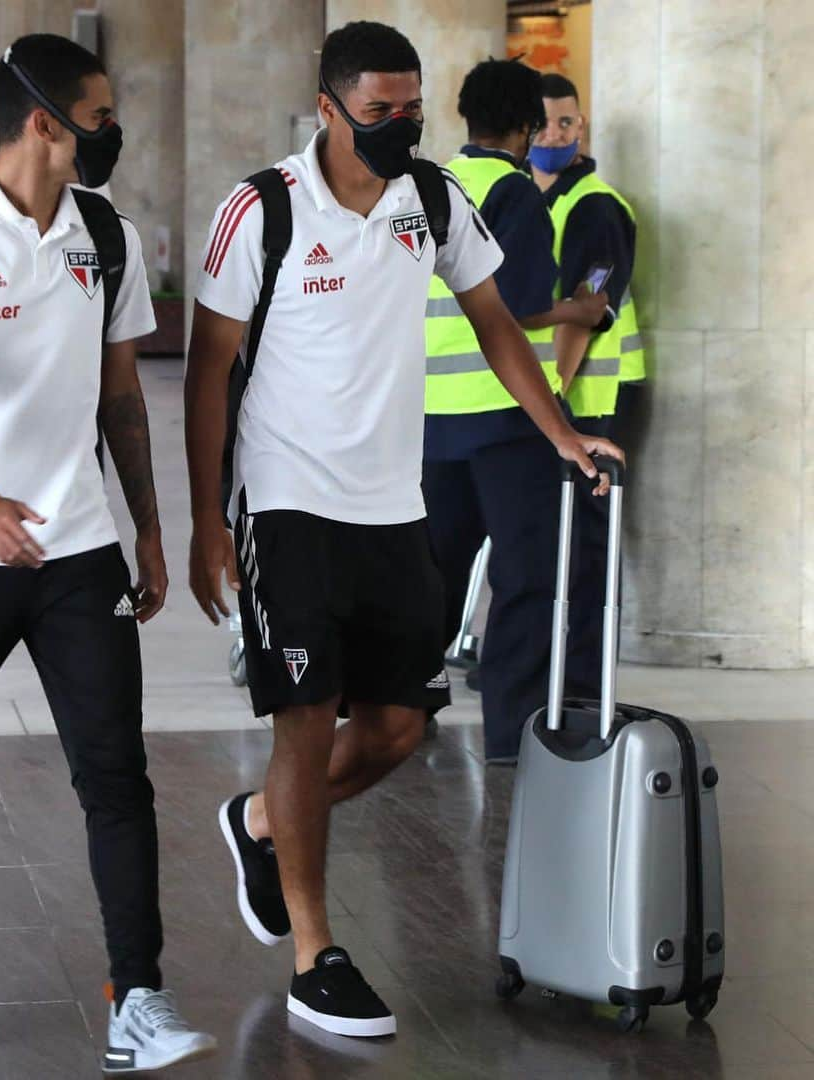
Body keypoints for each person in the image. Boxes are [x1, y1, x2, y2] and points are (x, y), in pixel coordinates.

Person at [185, 21, 623, 1039]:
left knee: (399, 728)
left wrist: (558, 433)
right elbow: (210, 367)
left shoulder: (432, 201)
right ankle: (313, 951)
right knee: (307, 712)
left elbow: (494, 318)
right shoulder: (263, 209)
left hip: (394, 505)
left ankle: (259, 826)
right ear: (328, 106)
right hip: (288, 501)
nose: (399, 126)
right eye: (378, 112)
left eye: (411, 110)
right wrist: (209, 519)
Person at [0, 33, 216, 1073]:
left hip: (77, 553)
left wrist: (152, 530)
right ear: (43, 122)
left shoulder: (103, 234)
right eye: (101, 115)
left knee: (116, 774)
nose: (113, 131)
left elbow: (121, 395)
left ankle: (138, 997)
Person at [422, 58, 610, 760]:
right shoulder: (514, 193)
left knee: (434, 570)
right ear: (528, 127)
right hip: (506, 419)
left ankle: (402, 709)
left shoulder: (431, 185)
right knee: (526, 576)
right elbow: (521, 306)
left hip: (430, 419)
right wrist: (582, 309)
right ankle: (513, 731)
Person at [529, 72, 640, 700]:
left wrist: (553, 405)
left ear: (583, 127)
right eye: (544, 123)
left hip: (587, 402)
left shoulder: (593, 206)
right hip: (556, 403)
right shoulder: (535, 200)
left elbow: (586, 309)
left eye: (567, 123)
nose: (555, 135)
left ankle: (581, 685)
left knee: (589, 548)